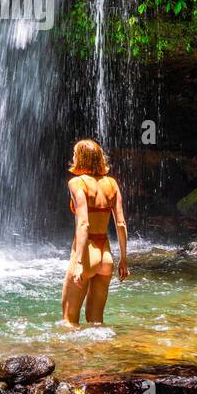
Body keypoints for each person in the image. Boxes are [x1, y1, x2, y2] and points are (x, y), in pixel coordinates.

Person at [61, 139, 128, 326]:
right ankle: (99, 353)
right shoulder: (112, 184)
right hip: (106, 256)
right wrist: (123, 259)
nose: (73, 157)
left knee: (69, 321)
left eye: (75, 154)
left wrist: (79, 262)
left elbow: (83, 223)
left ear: (81, 158)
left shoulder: (77, 183)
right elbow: (121, 223)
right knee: (96, 322)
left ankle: (73, 356)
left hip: (87, 254)